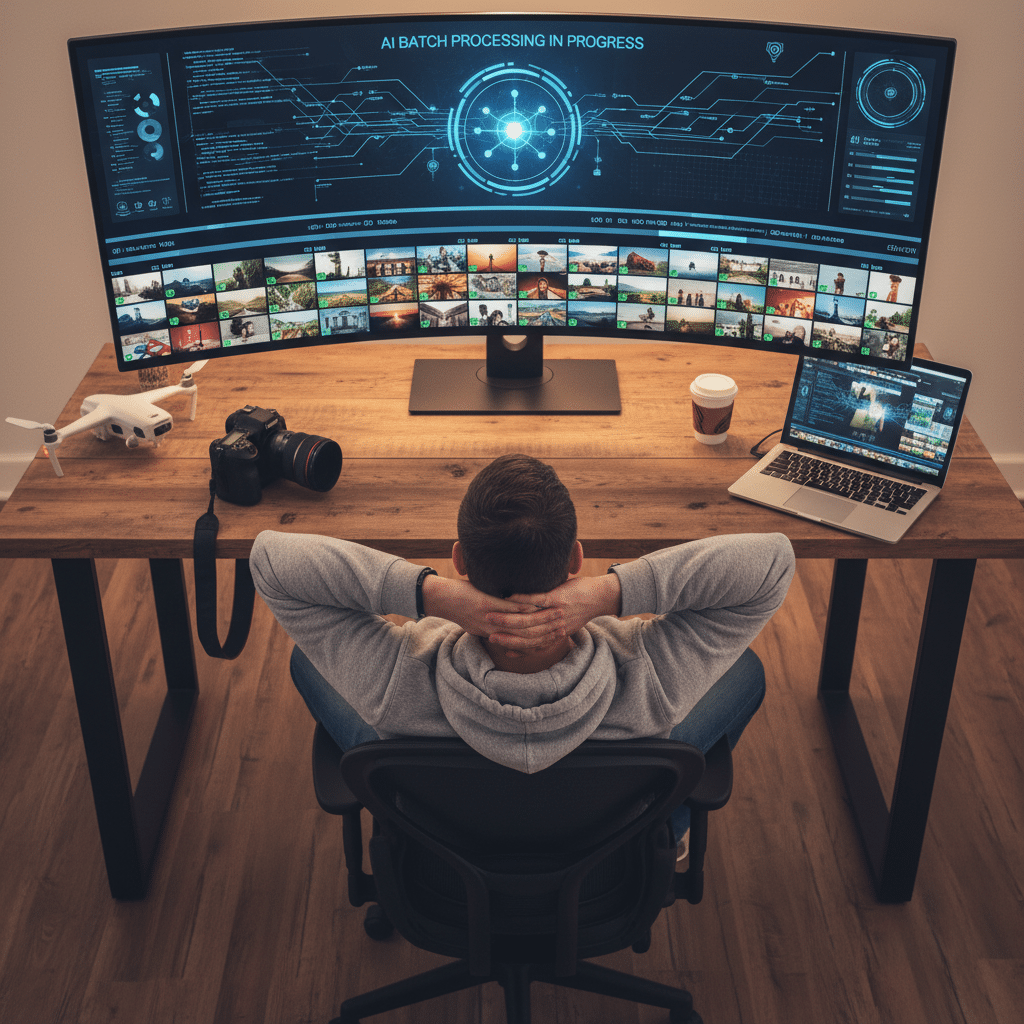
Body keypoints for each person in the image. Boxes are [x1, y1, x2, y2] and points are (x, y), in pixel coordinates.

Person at [250, 454, 795, 845]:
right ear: (576, 559)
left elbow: (272, 561)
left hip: (446, 858)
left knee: (307, 657)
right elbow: (772, 564)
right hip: (604, 849)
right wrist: (609, 593)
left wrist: (432, 594)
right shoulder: (651, 679)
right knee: (743, 672)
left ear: (460, 561)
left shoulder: (395, 682)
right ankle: (665, 828)